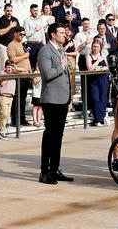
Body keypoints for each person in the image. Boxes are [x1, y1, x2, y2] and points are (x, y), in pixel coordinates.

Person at [38, 23, 73, 184]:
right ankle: (44, 171)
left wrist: (70, 97)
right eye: (61, 33)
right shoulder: (45, 51)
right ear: (53, 34)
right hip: (51, 99)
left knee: (58, 136)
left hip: (62, 98)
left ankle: (55, 168)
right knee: (50, 135)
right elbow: (47, 74)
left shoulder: (61, 50)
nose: (64, 35)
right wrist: (61, 66)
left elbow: (66, 76)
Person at [86, 37, 111, 126]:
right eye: (94, 46)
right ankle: (99, 118)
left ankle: (101, 118)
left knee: (103, 99)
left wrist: (102, 67)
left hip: (103, 79)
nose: (95, 48)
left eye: (97, 47)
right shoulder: (89, 56)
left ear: (100, 48)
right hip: (93, 80)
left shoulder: (103, 55)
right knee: (95, 99)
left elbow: (108, 67)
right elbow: (90, 68)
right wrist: (98, 61)